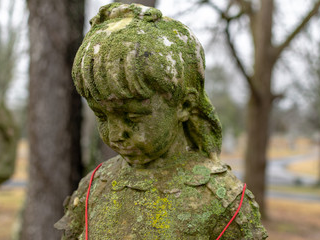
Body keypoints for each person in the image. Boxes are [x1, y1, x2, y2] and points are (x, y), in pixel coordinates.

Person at [55, 3, 267, 239]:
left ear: (184, 106)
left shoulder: (223, 200)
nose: (116, 134)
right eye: (102, 116)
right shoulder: (93, 187)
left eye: (132, 117)